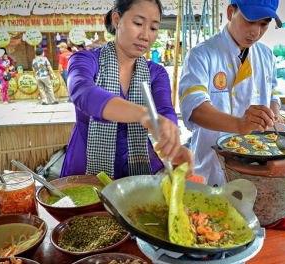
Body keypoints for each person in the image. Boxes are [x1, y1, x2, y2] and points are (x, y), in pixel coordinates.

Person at [60, 0, 193, 179]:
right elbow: (84, 94)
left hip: (140, 168)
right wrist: (144, 115)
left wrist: (173, 144)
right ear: (117, 19)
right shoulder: (84, 60)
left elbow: (164, 111)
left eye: (153, 28)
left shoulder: (156, 73)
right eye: (138, 23)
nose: (145, 35)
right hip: (87, 170)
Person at [179, 0, 284, 187]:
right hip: (213, 167)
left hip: (257, 165)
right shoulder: (201, 55)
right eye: (250, 20)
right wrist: (239, 124)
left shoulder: (267, 56)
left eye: (264, 23)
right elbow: (194, 108)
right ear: (230, 12)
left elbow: (272, 94)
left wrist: (274, 113)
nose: (256, 32)